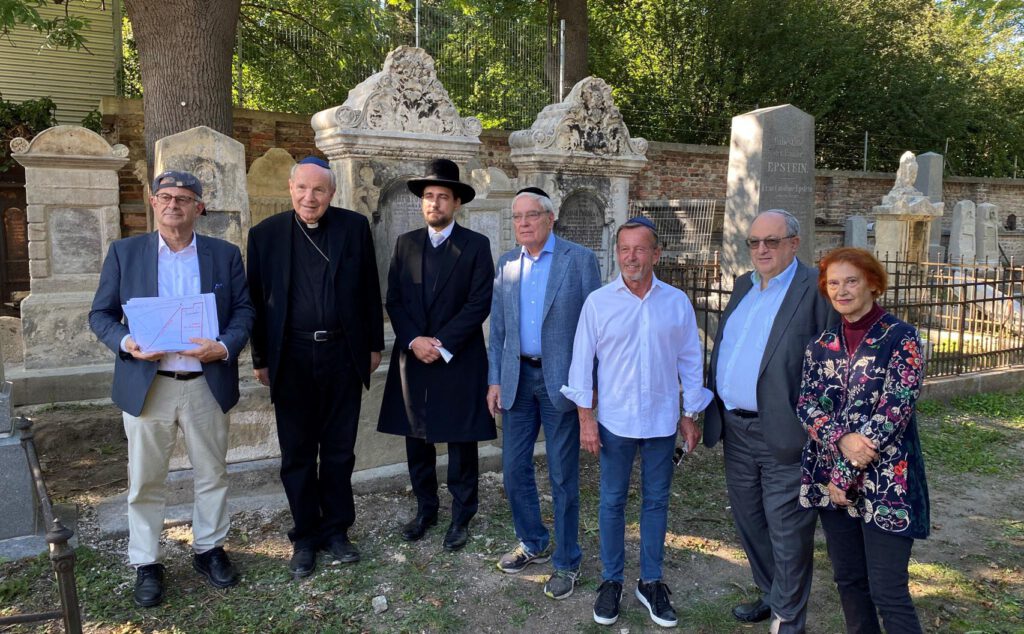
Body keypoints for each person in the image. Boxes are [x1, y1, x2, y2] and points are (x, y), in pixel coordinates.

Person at [89, 170, 255, 607]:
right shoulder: (126, 254)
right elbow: (100, 315)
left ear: (199, 207)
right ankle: (146, 562)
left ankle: (210, 549)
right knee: (145, 480)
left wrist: (222, 346)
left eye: (183, 198)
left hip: (205, 382)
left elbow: (244, 310)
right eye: (165, 197)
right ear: (152, 201)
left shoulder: (223, 255)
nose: (173, 205)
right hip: (149, 385)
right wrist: (127, 343)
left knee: (212, 472)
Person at [561, 217, 711, 628]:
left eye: (640, 249)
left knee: (656, 501)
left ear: (656, 254)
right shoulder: (598, 302)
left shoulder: (676, 302)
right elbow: (581, 365)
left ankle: (651, 581)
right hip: (615, 421)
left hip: (662, 421)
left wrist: (690, 413)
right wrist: (586, 419)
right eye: (624, 249)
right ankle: (611, 581)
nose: (631, 257)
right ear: (617, 254)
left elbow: (689, 360)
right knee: (611, 502)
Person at [246, 156, 384, 578]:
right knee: (298, 453)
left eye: (319, 190)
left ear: (332, 193)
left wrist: (373, 346)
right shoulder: (265, 235)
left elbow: (368, 288)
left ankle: (337, 529)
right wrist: (260, 358)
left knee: (340, 450)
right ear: (291, 190)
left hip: (342, 354)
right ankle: (305, 535)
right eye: (303, 189)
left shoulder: (353, 228)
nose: (310, 198)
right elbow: (255, 300)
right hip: (292, 357)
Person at [703, 209, 837, 632]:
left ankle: (789, 620)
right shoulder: (744, 285)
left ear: (793, 244)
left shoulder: (814, 289)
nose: (761, 249)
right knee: (750, 521)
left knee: (787, 531)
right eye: (755, 242)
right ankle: (771, 593)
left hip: (785, 433)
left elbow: (834, 365)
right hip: (735, 430)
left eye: (772, 241)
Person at [798, 247, 930, 633]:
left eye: (851, 281)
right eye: (833, 283)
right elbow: (806, 404)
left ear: (873, 283)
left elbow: (894, 411)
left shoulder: (901, 339)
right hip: (832, 483)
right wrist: (840, 441)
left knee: (888, 590)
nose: (842, 290)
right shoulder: (820, 344)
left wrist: (845, 470)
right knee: (850, 583)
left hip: (887, 483)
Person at [487, 187, 601, 599]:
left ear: (550, 218)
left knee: (562, 475)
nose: (523, 224)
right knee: (514, 471)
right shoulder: (506, 265)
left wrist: (590, 392)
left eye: (531, 216)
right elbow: (498, 329)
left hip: (562, 385)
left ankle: (567, 560)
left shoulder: (580, 260)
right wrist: (495, 379)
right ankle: (532, 540)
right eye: (517, 217)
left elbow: (595, 331)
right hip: (518, 381)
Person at [377, 158, 495, 552]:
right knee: (417, 438)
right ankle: (426, 509)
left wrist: (440, 343)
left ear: (456, 203)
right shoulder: (405, 244)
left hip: (457, 356)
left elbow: (479, 303)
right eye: (428, 196)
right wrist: (415, 340)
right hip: (415, 356)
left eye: (442, 197)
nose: (434, 204)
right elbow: (394, 299)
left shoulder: (476, 246)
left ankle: (462, 514)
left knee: (461, 441)